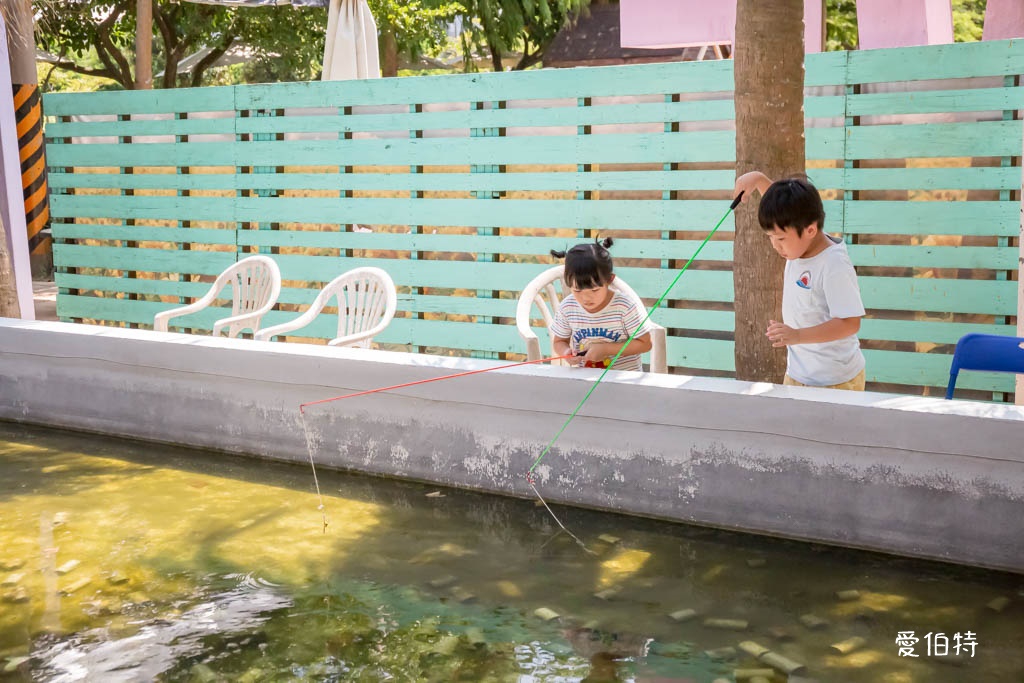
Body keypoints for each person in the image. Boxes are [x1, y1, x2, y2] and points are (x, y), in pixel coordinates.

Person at [733, 171, 866, 390]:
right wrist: (758, 179)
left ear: (810, 229)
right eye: (771, 238)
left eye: (781, 239)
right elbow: (783, 212)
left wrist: (797, 335)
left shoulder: (834, 264)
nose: (775, 246)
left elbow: (851, 323)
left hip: (836, 381)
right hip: (797, 375)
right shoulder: (798, 243)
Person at [549, 237, 653, 371]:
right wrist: (565, 353)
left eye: (594, 290)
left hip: (623, 380)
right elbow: (559, 342)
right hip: (585, 379)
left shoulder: (624, 307)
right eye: (577, 290)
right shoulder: (568, 307)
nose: (586, 298)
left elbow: (645, 344)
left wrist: (606, 349)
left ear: (609, 280)